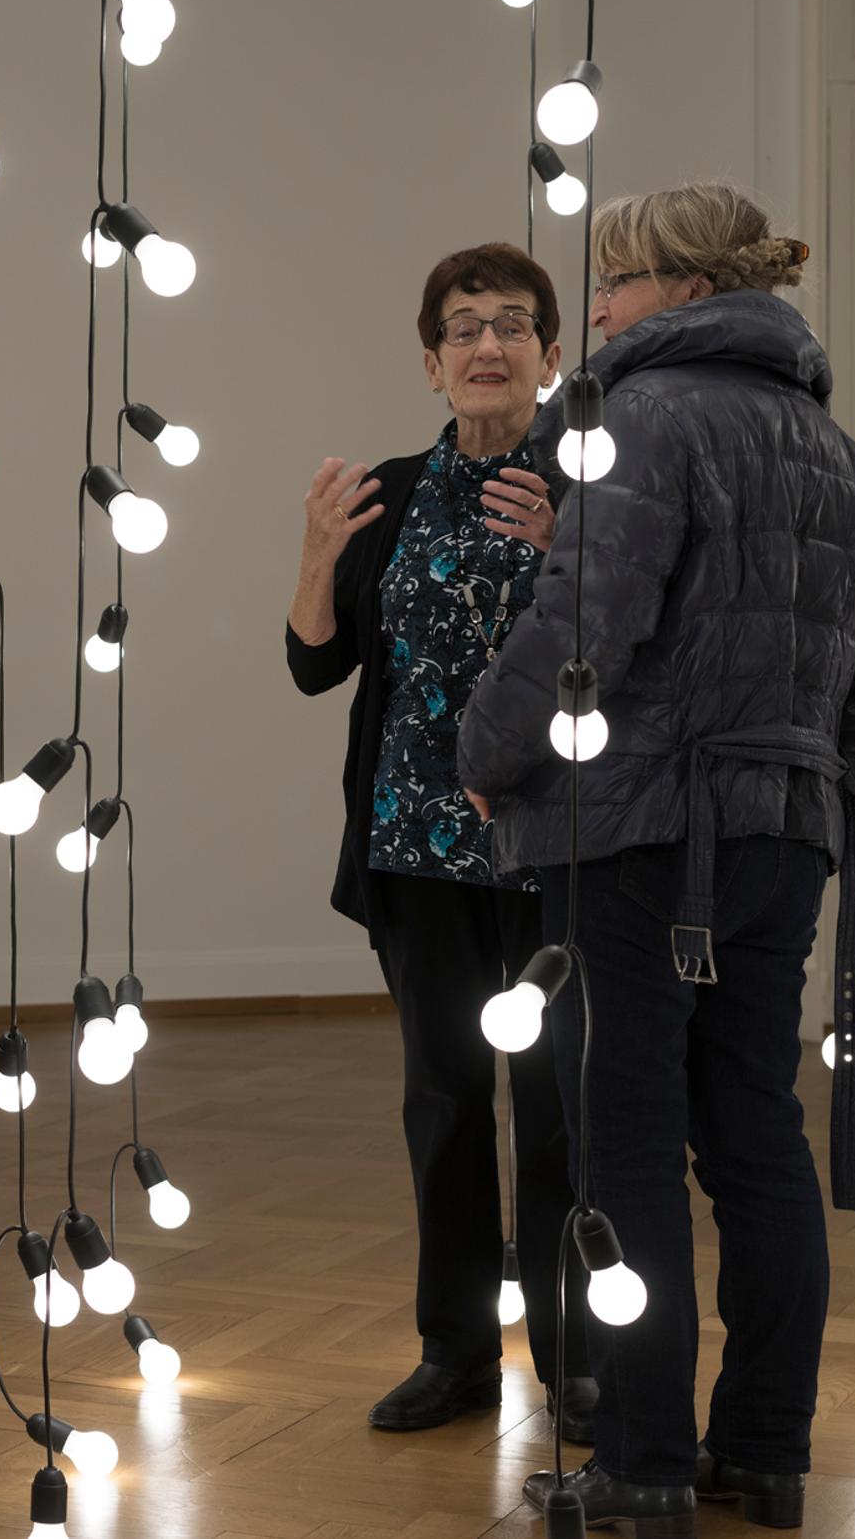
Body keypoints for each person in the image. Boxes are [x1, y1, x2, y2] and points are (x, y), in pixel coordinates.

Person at [456, 184, 855, 1535]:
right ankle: (765, 1453)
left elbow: (581, 617)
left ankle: (643, 1464)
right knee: (758, 1137)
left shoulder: (638, 421)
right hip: (782, 834)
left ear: (683, 286)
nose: (589, 308)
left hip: (644, 835)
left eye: (611, 280)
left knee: (629, 1145)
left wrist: (482, 748)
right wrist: (817, 799)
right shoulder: (844, 455)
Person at [285, 242, 597, 1441]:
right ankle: (456, 1352)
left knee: (560, 1110)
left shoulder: (588, 488)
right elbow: (316, 665)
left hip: (553, 855)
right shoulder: (392, 492)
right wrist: (317, 548)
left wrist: (562, 551)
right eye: (463, 328)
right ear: (430, 362)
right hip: (415, 857)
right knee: (446, 1107)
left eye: (513, 325)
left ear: (551, 355)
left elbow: (623, 651)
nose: (487, 346)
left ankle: (572, 1359)